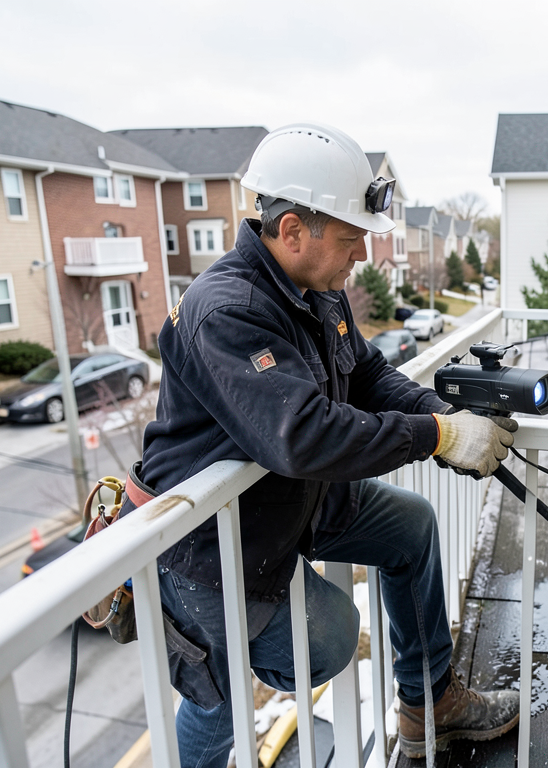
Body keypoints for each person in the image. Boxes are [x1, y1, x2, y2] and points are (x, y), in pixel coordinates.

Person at [121, 123, 520, 765]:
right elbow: (302, 435)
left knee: (411, 527)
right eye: (349, 236)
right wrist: (439, 436)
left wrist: (443, 415)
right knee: (235, 690)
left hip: (293, 503)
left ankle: (429, 704)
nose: (361, 252)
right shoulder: (225, 310)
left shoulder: (318, 292)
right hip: (214, 543)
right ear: (292, 231)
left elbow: (365, 373)